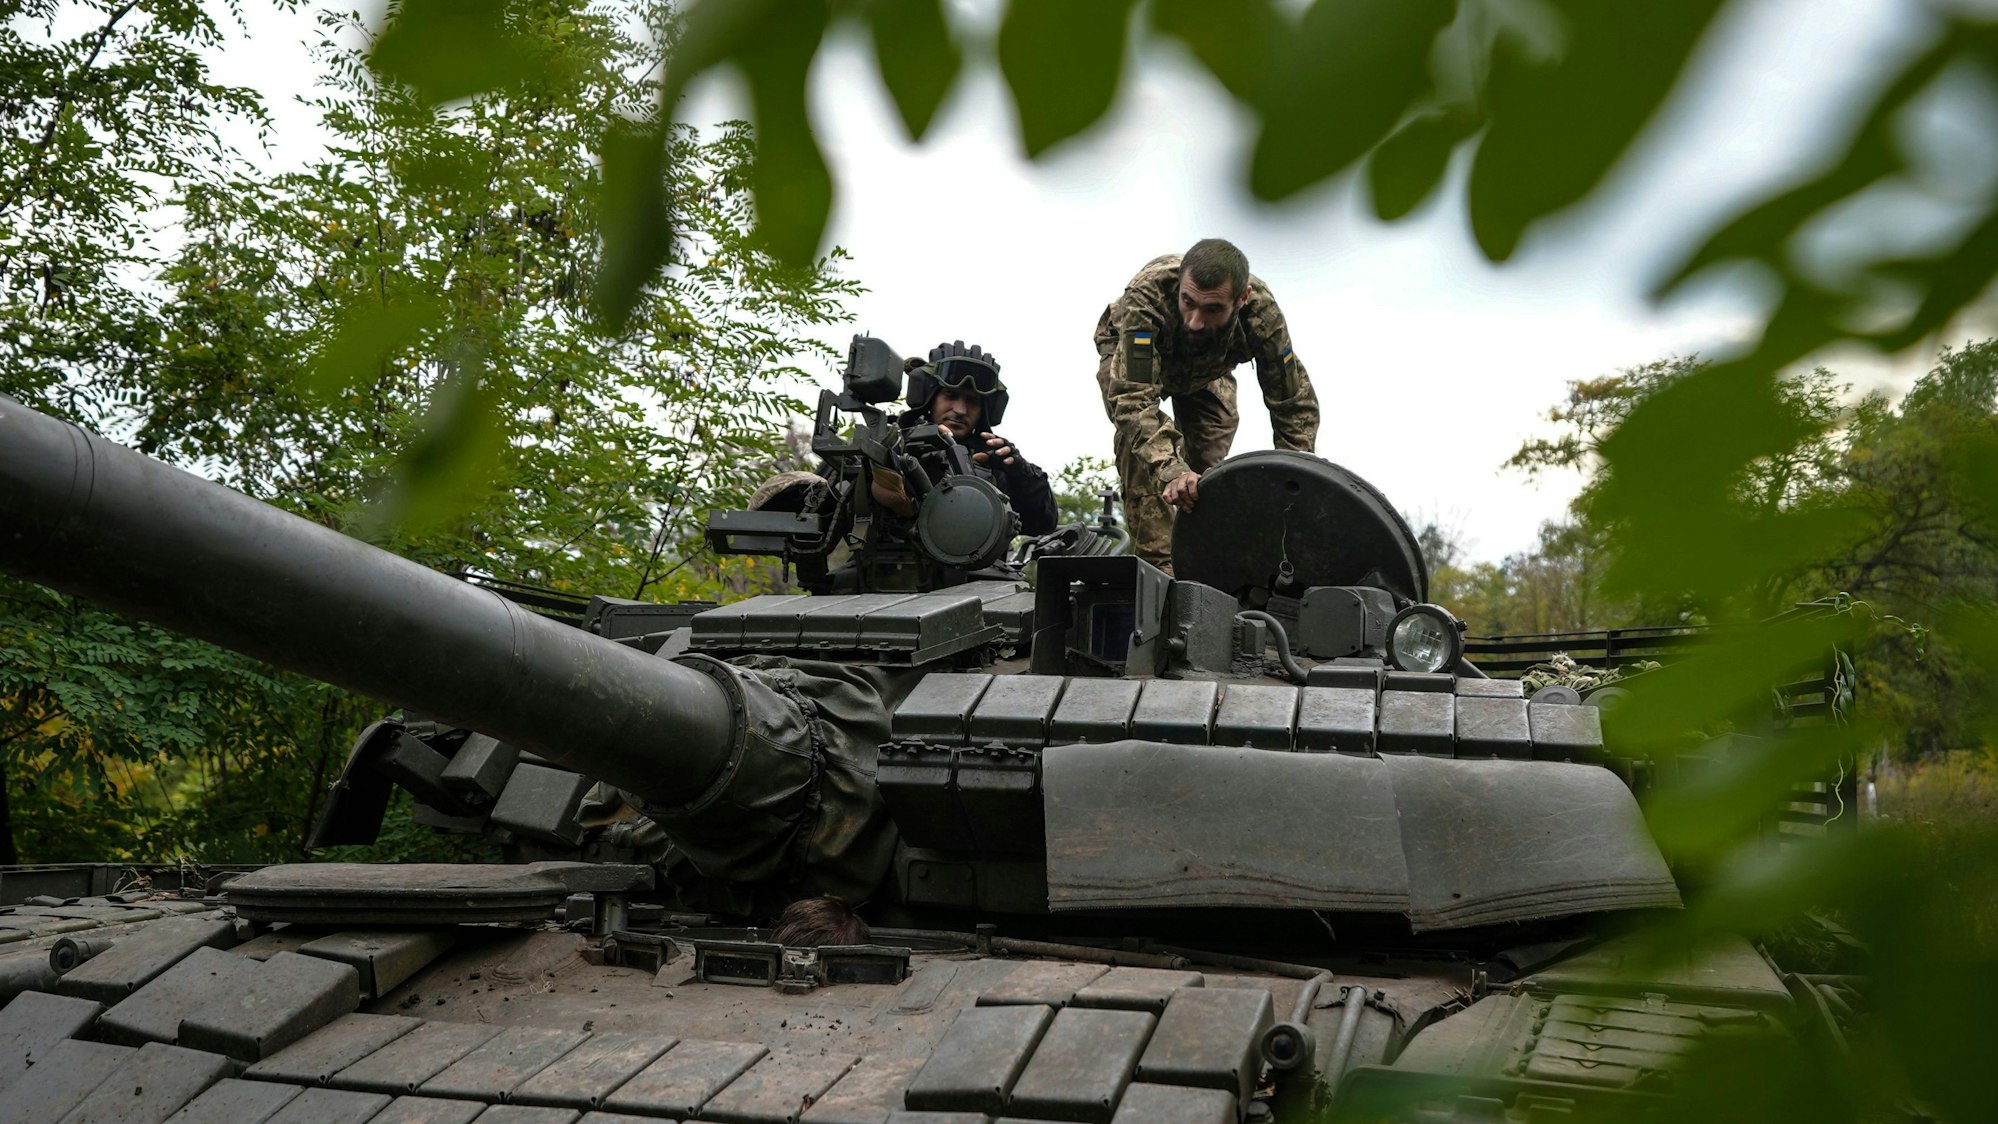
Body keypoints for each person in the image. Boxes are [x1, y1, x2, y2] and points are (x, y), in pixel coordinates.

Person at [1095, 238, 1319, 570]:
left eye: (1212, 309)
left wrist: (1292, 487)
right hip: (1135, 360)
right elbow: (1133, 400)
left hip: (1208, 370)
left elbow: (1293, 405)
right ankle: (1160, 571)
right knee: (1144, 453)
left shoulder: (1263, 316)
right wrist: (1170, 469)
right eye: (1188, 302)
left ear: (1241, 299)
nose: (1195, 321)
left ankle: (1204, 565)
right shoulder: (1146, 297)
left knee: (1204, 479)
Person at [893, 341, 1059, 536]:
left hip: (973, 566)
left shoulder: (994, 459)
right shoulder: (893, 445)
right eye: (950, 395)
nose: (960, 410)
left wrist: (1019, 474)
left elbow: (1041, 523)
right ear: (930, 397)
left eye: (972, 401)